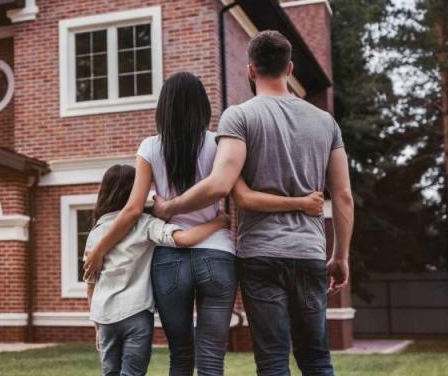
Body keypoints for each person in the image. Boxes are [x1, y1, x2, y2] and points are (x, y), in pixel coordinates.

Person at [84, 72, 323, 376]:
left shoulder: (150, 147)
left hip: (169, 260)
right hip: (218, 256)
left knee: (180, 357)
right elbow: (237, 194)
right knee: (211, 361)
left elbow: (132, 210)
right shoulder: (221, 143)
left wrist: (100, 250)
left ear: (163, 108)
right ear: (203, 107)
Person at [151, 31, 355, 376]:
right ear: (289, 68)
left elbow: (220, 185)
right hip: (309, 252)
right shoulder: (325, 122)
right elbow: (345, 197)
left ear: (250, 70)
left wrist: (169, 208)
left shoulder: (239, 116)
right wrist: (340, 255)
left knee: (273, 359)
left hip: (260, 254)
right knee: (317, 357)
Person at [84, 164, 228, 376]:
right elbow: (184, 239)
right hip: (136, 315)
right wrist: (220, 222)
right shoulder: (145, 224)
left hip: (104, 317)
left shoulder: (95, 233)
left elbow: (90, 284)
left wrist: (97, 325)